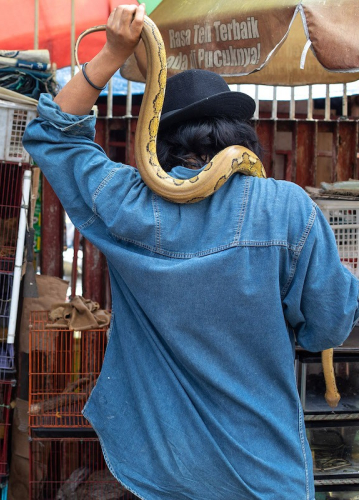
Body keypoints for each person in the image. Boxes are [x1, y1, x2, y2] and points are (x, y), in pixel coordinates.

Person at [22, 4, 359, 500]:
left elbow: (52, 132)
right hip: (263, 474)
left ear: (155, 142)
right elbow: (328, 324)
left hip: (161, 473)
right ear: (239, 135)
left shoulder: (127, 205)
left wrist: (113, 52)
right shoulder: (287, 208)